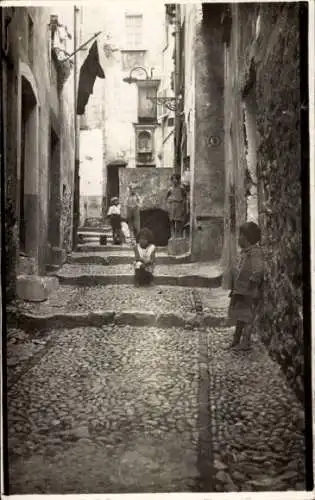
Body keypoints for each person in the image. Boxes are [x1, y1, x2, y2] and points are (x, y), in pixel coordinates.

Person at [226, 221, 264, 351]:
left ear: (247, 238)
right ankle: (236, 340)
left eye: (240, 236)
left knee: (247, 317)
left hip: (248, 291)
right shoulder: (244, 252)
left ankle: (245, 342)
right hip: (240, 290)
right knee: (239, 316)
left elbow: (258, 270)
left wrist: (252, 285)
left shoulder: (255, 253)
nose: (238, 238)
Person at [166, 173, 186, 238]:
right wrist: (168, 204)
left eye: (176, 179)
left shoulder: (181, 188)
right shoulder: (170, 189)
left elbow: (185, 197)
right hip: (172, 206)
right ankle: (173, 236)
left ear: (178, 180)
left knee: (178, 221)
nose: (174, 180)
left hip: (179, 206)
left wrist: (183, 206)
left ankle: (178, 236)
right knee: (171, 221)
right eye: (173, 179)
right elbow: (166, 198)